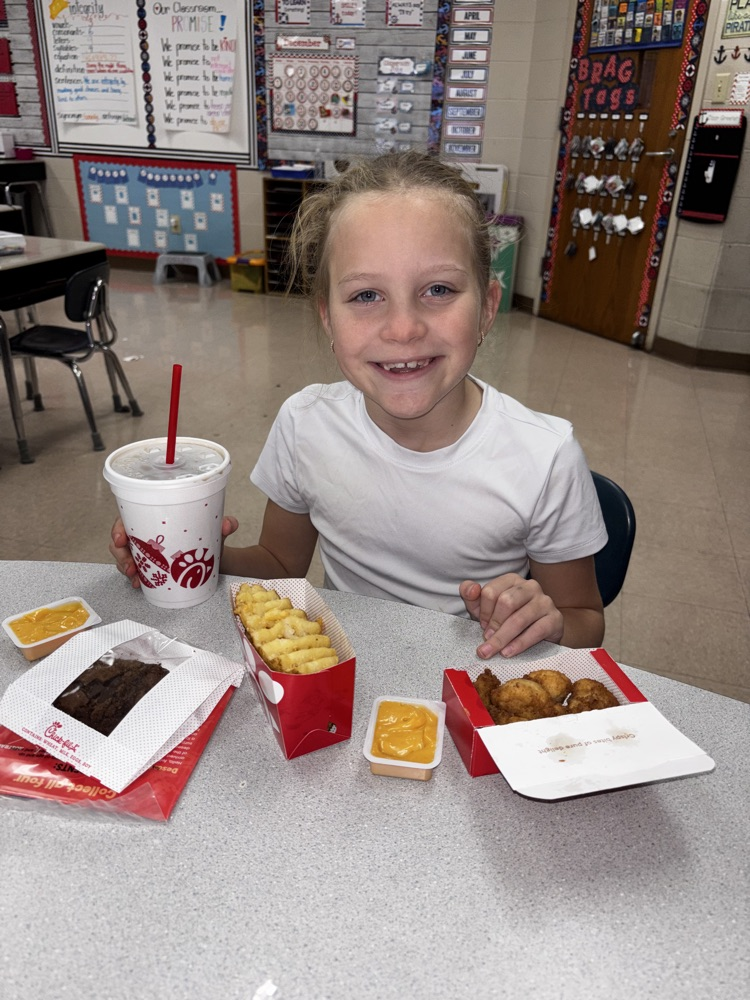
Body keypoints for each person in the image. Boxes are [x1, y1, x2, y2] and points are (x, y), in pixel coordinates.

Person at [110, 150, 607, 659]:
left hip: (470, 677)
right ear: (328, 318)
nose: (403, 328)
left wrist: (546, 620)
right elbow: (281, 564)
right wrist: (190, 557)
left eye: (438, 289)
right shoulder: (306, 424)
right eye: (367, 296)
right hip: (346, 674)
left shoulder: (545, 457)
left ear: (486, 309)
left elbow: (585, 619)